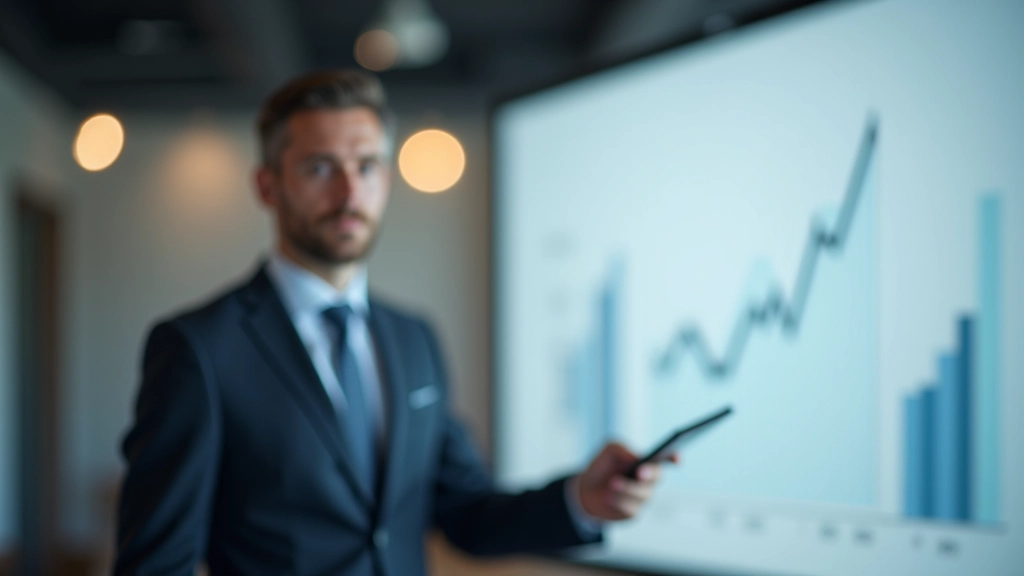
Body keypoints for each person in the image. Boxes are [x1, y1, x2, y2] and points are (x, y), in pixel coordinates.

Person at [113, 69, 674, 576]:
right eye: (319, 168)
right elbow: (156, 564)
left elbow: (466, 513)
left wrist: (581, 498)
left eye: (367, 166)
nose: (350, 192)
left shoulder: (412, 338)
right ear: (267, 186)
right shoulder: (200, 349)